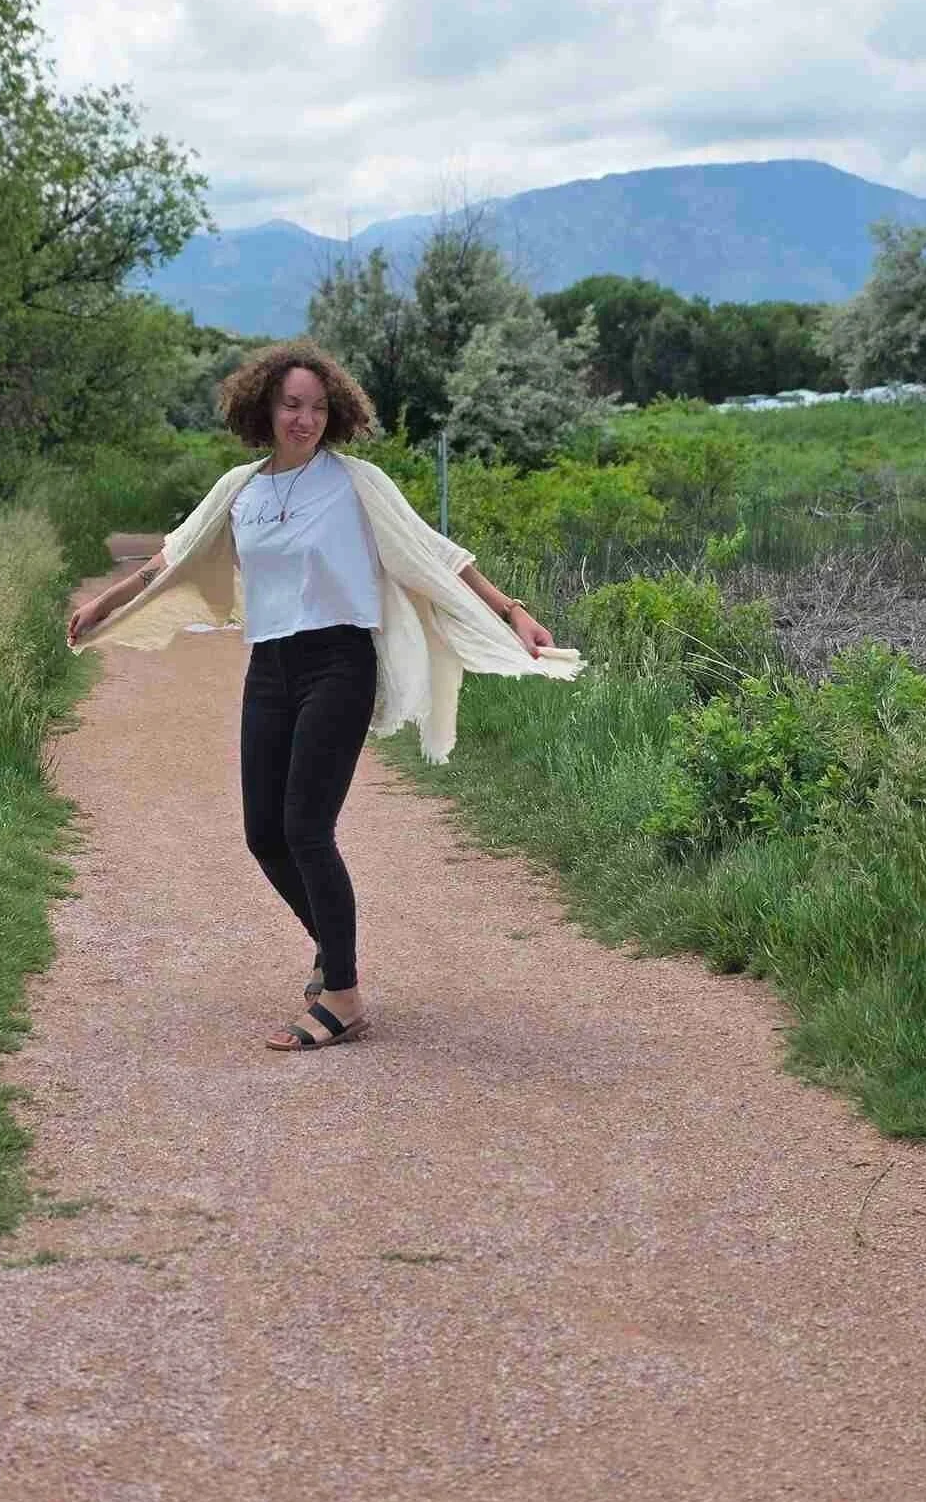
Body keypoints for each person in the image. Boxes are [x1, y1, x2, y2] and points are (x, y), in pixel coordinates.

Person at [67, 341, 583, 1054]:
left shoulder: (356, 483)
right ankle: (332, 955)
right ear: (264, 408)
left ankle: (342, 995)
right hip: (270, 665)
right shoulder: (240, 489)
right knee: (263, 833)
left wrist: (511, 610)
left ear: (333, 412)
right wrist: (106, 605)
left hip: (339, 662)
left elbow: (436, 552)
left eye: (316, 407)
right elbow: (173, 554)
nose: (304, 419)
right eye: (291, 405)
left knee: (307, 828)